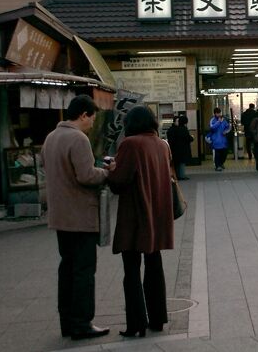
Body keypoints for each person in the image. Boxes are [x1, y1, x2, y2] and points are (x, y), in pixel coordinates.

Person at [41, 94, 113, 340]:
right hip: (80, 217)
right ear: (83, 115)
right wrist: (105, 172)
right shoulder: (78, 138)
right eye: (92, 118)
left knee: (67, 269)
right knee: (84, 271)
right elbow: (86, 176)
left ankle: (67, 321)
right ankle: (82, 322)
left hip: (60, 217)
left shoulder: (51, 137)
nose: (92, 124)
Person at [107, 105, 173, 338]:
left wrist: (111, 169)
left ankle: (136, 323)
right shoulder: (161, 144)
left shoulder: (131, 144)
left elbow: (119, 181)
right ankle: (158, 318)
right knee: (154, 266)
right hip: (157, 214)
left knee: (132, 270)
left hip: (136, 216)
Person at [166, 115, 193, 180]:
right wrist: (192, 138)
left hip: (175, 149)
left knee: (177, 163)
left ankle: (177, 175)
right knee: (181, 163)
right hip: (182, 149)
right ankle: (181, 175)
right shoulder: (183, 129)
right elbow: (188, 138)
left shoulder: (173, 129)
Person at [209, 107, 231, 171]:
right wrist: (218, 122)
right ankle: (217, 166)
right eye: (218, 113)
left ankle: (221, 163)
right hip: (216, 140)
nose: (219, 114)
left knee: (224, 153)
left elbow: (228, 127)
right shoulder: (212, 120)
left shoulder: (224, 120)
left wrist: (226, 131)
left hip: (223, 140)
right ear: (215, 113)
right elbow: (212, 128)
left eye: (220, 113)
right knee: (217, 154)